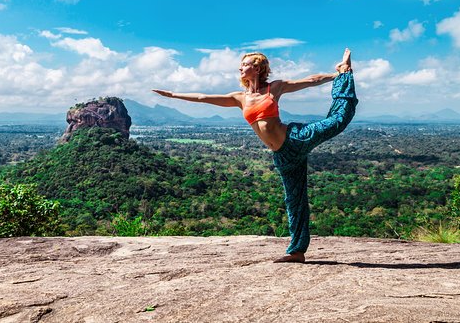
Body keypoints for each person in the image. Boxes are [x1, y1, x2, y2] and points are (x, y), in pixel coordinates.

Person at [153, 48, 358, 263]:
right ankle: (297, 251)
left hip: (296, 138)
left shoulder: (274, 88)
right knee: (294, 200)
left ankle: (345, 73)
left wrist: (338, 75)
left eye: (245, 64)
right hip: (283, 155)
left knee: (337, 121)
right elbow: (203, 97)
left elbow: (310, 80)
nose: (240, 68)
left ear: (258, 68)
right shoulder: (239, 97)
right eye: (241, 65)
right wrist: (173, 95)